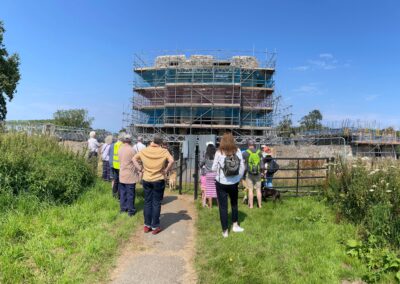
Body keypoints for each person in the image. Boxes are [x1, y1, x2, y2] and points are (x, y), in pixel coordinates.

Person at [133, 134, 174, 235]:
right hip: (158, 179)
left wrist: (141, 169)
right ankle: (155, 226)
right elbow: (172, 161)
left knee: (147, 202)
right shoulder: (164, 151)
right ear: (160, 143)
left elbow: (133, 159)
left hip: (146, 179)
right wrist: (166, 170)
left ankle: (147, 225)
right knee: (156, 203)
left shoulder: (144, 150)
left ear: (152, 141)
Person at [212, 132, 245, 238]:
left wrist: (217, 175)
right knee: (234, 203)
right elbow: (242, 166)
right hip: (234, 182)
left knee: (223, 207)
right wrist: (239, 178)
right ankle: (235, 225)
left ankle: (225, 231)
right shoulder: (238, 151)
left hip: (221, 182)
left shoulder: (219, 152)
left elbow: (213, 168)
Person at [118, 134, 140, 216]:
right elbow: (136, 161)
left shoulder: (120, 149)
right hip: (130, 175)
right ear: (130, 140)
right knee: (130, 194)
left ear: (124, 140)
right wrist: (141, 169)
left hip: (122, 174)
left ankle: (123, 209)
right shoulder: (132, 150)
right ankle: (131, 211)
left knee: (123, 193)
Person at [242, 139, 264, 209]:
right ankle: (260, 205)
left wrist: (243, 174)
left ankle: (251, 206)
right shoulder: (259, 152)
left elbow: (243, 165)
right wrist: (262, 172)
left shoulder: (245, 153)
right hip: (258, 173)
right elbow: (262, 164)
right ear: (254, 145)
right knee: (258, 189)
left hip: (249, 173)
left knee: (250, 190)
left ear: (248, 145)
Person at [200, 142, 217, 208]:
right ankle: (219, 205)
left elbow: (201, 164)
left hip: (208, 174)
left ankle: (210, 206)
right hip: (215, 174)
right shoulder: (216, 156)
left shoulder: (206, 156)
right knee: (216, 190)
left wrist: (203, 167)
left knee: (209, 191)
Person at [109, 132, 125, 199]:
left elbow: (110, 154)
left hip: (112, 164)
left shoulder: (112, 145)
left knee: (115, 180)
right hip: (119, 165)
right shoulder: (122, 145)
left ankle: (114, 194)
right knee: (120, 181)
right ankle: (119, 196)